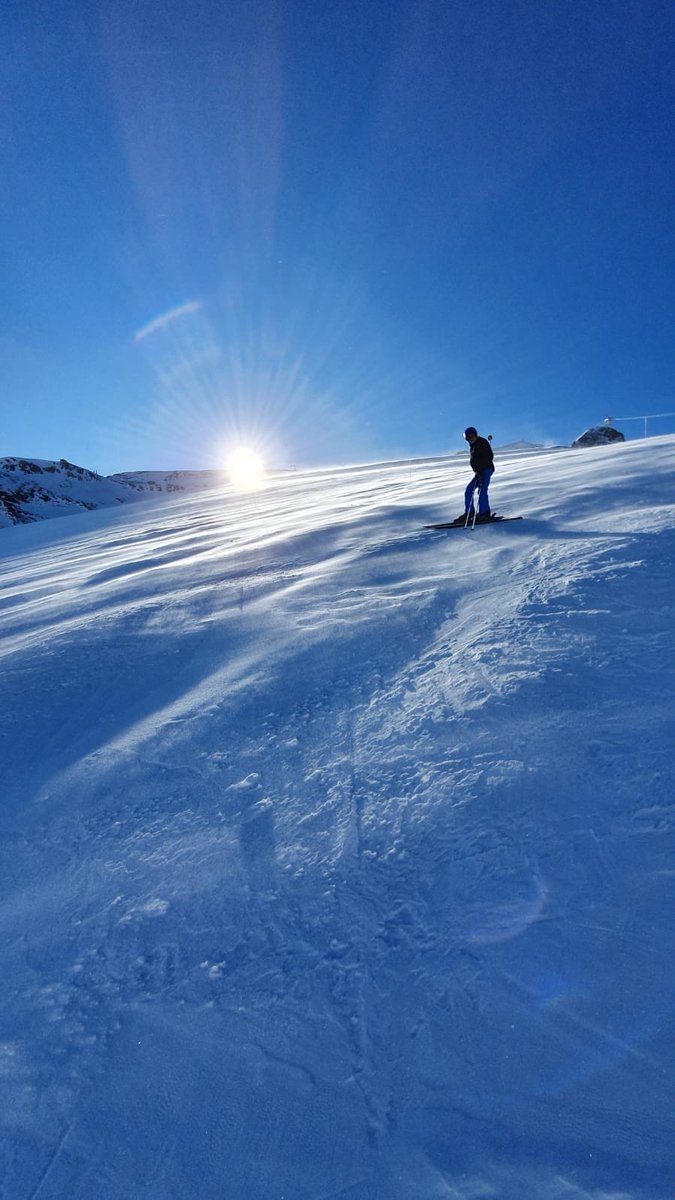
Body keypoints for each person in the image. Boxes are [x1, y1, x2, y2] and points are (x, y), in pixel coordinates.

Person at [459, 426, 494, 521]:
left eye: (472, 436)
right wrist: (478, 471)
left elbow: (489, 456)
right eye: (468, 437)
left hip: (486, 470)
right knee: (469, 490)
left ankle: (484, 513)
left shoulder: (482, 442)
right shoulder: (473, 447)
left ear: (475, 435)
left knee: (482, 490)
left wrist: (483, 469)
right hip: (479, 473)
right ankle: (469, 513)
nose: (471, 439)